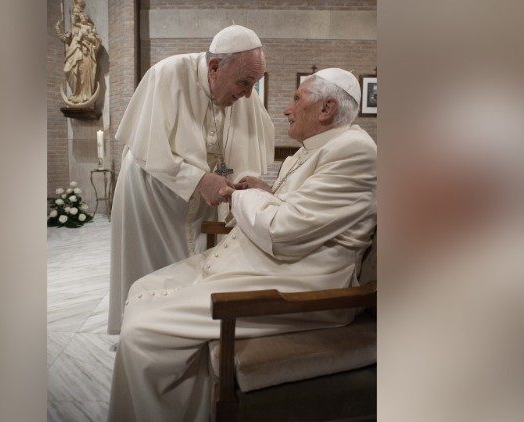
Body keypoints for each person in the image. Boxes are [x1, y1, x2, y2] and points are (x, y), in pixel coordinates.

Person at [108, 68, 377, 421]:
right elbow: (301, 213)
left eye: (296, 98)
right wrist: (265, 192)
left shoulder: (354, 151)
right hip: (268, 266)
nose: (286, 109)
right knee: (142, 288)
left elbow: (280, 229)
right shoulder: (309, 152)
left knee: (143, 334)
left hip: (300, 285)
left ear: (326, 109)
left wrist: (237, 197)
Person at [108, 25, 274, 334]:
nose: (249, 95)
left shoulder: (243, 93)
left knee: (193, 265)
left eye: (255, 84)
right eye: (244, 83)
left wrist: (245, 178)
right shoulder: (168, 74)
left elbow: (250, 146)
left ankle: (180, 328)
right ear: (214, 67)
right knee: (151, 265)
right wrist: (198, 179)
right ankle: (142, 328)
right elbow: (148, 147)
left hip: (202, 199)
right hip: (152, 193)